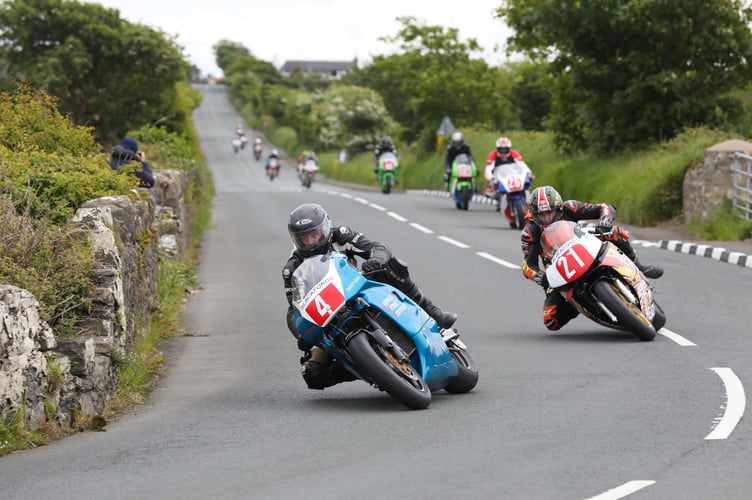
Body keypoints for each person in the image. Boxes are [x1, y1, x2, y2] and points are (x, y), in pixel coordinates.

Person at [282, 203, 457, 389]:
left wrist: (376, 260)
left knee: (391, 268)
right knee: (313, 372)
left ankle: (433, 312)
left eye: (314, 234)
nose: (310, 242)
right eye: (304, 238)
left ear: (324, 229)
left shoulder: (340, 236)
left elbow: (377, 247)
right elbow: (295, 308)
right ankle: (368, 368)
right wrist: (301, 333)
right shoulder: (292, 268)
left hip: (361, 289)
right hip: (330, 317)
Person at [521, 185, 664, 331]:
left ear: (558, 209)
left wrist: (604, 222)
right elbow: (528, 265)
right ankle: (578, 304)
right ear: (534, 215)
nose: (547, 218)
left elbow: (605, 207)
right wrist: (540, 277)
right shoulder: (530, 231)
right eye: (541, 215)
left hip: (582, 246)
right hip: (559, 269)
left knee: (614, 233)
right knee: (551, 320)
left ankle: (638, 266)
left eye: (550, 213)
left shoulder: (570, 207)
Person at [484, 136, 533, 213]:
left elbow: (522, 165)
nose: (503, 152)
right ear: (497, 149)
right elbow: (488, 169)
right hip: (499, 176)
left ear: (509, 149)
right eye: (501, 149)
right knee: (494, 190)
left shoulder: (514, 153)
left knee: (526, 187)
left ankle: (529, 204)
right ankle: (500, 200)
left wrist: (528, 173)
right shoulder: (492, 155)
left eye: (505, 149)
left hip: (514, 176)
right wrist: (490, 178)